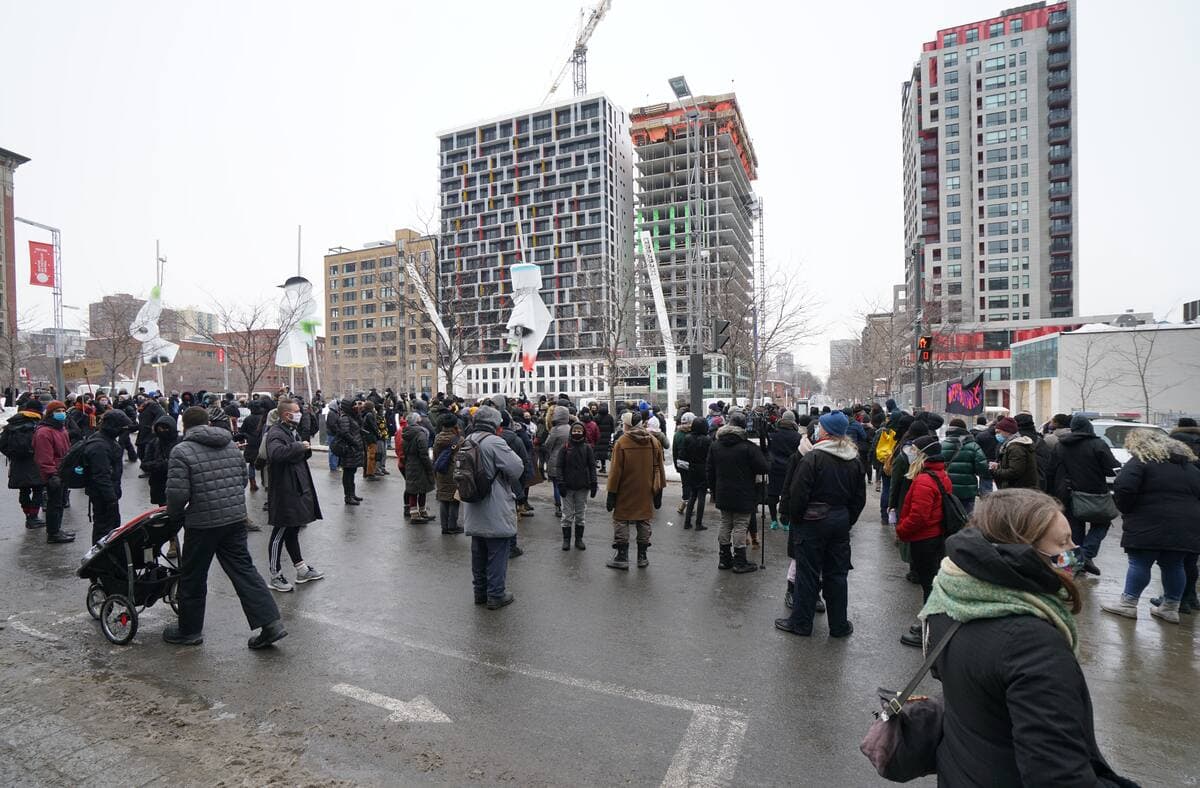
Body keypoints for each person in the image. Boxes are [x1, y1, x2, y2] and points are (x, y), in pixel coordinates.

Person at [920, 489, 1133, 786]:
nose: (1075, 551)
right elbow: (1059, 776)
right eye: (1062, 543)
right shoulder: (1032, 644)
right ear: (1021, 551)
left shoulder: (949, 596)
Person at [162, 407, 286, 649]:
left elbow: (177, 495)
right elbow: (241, 480)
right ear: (208, 423)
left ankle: (189, 630)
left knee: (193, 576)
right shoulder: (229, 445)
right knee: (244, 571)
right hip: (234, 519)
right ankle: (271, 624)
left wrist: (174, 517)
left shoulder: (181, 451)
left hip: (202, 523)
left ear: (184, 426)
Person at [774, 410, 866, 638]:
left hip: (812, 523)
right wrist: (846, 519)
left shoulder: (813, 458)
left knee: (807, 574)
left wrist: (797, 520)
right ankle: (839, 625)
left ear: (826, 431)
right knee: (837, 574)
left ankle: (801, 623)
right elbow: (859, 498)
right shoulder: (853, 459)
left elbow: (798, 494)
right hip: (840, 522)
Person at [1101, 429, 1200, 623]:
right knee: (1175, 565)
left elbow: (1124, 487)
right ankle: (1170, 608)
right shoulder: (1189, 467)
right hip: (1186, 525)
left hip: (1147, 522)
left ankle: (1128, 604)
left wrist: (1127, 509)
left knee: (1140, 563)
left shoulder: (1141, 461)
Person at [461, 406, 524, 609]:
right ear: (495, 424)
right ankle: (496, 594)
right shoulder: (494, 442)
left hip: (473, 504)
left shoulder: (468, 440)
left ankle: (479, 592)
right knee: (497, 552)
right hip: (494, 505)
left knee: (478, 552)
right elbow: (517, 468)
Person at [1048, 415, 1121, 577]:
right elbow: (1111, 469)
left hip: (1068, 493)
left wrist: (1052, 493)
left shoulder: (1061, 445)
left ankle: (1075, 568)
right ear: (1089, 427)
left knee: (1075, 530)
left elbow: (1051, 470)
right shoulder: (1098, 444)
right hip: (1095, 493)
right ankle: (1086, 554)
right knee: (1102, 523)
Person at [896, 435, 952, 647]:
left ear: (923, 454)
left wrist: (902, 530)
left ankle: (930, 631)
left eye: (914, 450)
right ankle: (928, 623)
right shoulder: (940, 474)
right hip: (935, 536)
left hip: (924, 539)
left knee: (929, 584)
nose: (910, 452)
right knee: (931, 583)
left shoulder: (924, 480)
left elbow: (919, 516)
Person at [264, 399, 324, 592]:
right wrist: (299, 447)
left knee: (292, 530)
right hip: (284, 491)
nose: (300, 414)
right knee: (280, 533)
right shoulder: (276, 433)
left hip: (295, 488)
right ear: (286, 414)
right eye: (297, 411)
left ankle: (301, 569)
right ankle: (275, 575)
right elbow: (276, 454)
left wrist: (304, 449)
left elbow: (294, 454)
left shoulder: (291, 431)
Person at [707, 411, 769, 574]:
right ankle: (740, 561)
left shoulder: (716, 445)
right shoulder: (748, 447)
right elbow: (764, 468)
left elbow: (710, 470)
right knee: (741, 525)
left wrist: (714, 491)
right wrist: (764, 450)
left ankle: (724, 559)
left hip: (722, 491)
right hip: (744, 493)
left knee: (725, 523)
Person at [605, 410, 664, 570]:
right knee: (643, 520)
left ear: (628, 425)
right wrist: (659, 491)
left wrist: (611, 493)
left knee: (621, 520)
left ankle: (622, 557)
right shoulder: (653, 441)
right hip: (646, 489)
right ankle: (642, 557)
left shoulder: (622, 442)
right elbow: (659, 468)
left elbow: (615, 471)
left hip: (625, 489)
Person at [81, 410, 132, 544]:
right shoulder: (100, 446)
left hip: (106, 494)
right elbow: (101, 476)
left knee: (110, 528)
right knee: (104, 529)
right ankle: (101, 554)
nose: (123, 430)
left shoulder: (105, 439)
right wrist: (111, 498)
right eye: (122, 427)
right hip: (103, 496)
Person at [32, 400, 75, 543]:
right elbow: (43, 457)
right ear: (50, 414)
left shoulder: (61, 429)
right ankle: (53, 533)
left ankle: (57, 529)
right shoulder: (44, 432)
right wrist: (52, 474)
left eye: (63, 411)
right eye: (58, 411)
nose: (61, 414)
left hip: (62, 472)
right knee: (54, 504)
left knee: (60, 502)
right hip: (53, 474)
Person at [2, 399, 49, 529]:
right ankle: (33, 517)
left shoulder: (12, 423)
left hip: (18, 463)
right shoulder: (38, 423)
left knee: (23, 490)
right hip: (35, 462)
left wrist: (12, 455)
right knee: (38, 490)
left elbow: (2, 444)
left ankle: (28, 515)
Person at [553, 421, 597, 551]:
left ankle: (579, 539)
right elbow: (559, 467)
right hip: (567, 486)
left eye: (579, 431)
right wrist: (560, 483)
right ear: (571, 432)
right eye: (575, 431)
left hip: (582, 486)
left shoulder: (587, 448)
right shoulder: (565, 447)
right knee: (567, 515)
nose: (577, 433)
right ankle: (566, 540)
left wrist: (593, 483)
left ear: (583, 432)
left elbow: (592, 467)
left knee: (580, 515)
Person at [940, 417, 988, 515]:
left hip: (947, 489)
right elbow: (982, 468)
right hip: (968, 490)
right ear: (964, 430)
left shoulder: (942, 445)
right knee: (967, 517)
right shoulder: (973, 446)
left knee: (950, 516)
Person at [766, 410, 803, 530]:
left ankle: (773, 520)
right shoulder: (797, 436)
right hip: (790, 468)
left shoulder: (773, 434)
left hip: (774, 467)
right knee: (788, 495)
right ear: (793, 421)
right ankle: (786, 521)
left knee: (772, 494)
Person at [326, 398, 365, 505]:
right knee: (348, 474)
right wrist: (355, 443)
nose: (356, 406)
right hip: (349, 449)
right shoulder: (345, 418)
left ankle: (352, 494)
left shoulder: (352, 416)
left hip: (354, 449)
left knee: (352, 473)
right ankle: (348, 496)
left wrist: (358, 414)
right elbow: (345, 433)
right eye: (354, 405)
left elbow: (359, 426)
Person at [432, 413, 464, 535]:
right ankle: (452, 526)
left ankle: (444, 527)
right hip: (454, 472)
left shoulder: (437, 438)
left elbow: (435, 456)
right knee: (454, 499)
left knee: (443, 498)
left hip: (441, 471)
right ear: (455, 425)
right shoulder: (459, 440)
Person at [402, 412, 435, 523]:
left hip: (410, 463)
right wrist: (429, 467)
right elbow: (423, 454)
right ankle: (418, 514)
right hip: (420, 465)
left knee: (413, 490)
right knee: (422, 489)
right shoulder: (421, 434)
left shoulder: (405, 433)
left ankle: (416, 513)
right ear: (417, 421)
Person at [990, 416, 1039, 490]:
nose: (997, 435)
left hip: (1019, 489)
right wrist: (999, 466)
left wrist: (995, 471)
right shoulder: (1011, 445)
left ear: (1008, 431)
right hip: (1020, 487)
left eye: (998, 432)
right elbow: (1015, 465)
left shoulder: (1016, 448)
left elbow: (1014, 472)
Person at [683, 417, 711, 532]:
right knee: (701, 496)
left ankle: (687, 522)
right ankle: (698, 523)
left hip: (692, 468)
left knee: (692, 495)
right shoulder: (707, 439)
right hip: (703, 469)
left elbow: (683, 454)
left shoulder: (687, 438)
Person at [543, 405, 571, 519]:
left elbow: (548, 445)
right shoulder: (570, 428)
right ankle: (567, 506)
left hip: (555, 459)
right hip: (569, 460)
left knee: (556, 485)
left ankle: (558, 506)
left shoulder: (555, 430)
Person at [672, 412, 694, 516]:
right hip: (693, 463)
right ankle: (689, 505)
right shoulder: (694, 434)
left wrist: (676, 465)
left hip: (681, 463)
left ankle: (684, 503)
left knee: (685, 484)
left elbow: (674, 451)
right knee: (693, 485)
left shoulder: (677, 434)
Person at [971, 415, 999, 497]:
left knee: (985, 485)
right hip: (997, 463)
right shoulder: (1001, 436)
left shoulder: (979, 435)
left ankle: (985, 499)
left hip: (983, 462)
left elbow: (974, 449)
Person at [594, 403, 615, 473]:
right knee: (605, 451)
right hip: (607, 437)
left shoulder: (596, 417)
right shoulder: (610, 417)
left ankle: (599, 466)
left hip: (599, 437)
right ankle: (604, 467)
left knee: (598, 451)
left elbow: (594, 427)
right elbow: (612, 427)